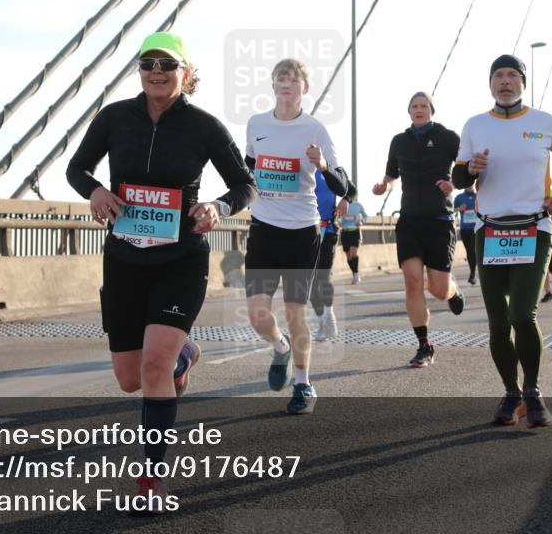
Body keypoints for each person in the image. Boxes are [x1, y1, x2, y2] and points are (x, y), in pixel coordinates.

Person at [66, 31, 256, 507]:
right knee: (131, 378)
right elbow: (77, 168)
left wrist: (218, 205)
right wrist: (93, 192)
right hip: (125, 257)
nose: (156, 70)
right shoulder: (114, 118)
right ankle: (184, 355)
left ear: (186, 74)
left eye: (167, 64)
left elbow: (244, 184)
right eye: (148, 62)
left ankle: (150, 480)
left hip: (181, 257)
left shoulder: (205, 126)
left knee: (153, 364)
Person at [453, 54, 552, 428]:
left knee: (522, 314)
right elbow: (459, 177)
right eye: (498, 76)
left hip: (534, 229)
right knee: (497, 324)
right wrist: (469, 169)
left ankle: (534, 391)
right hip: (489, 231)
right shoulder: (475, 125)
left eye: (512, 75)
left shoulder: (545, 122)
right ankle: (511, 392)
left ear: (523, 82)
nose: (504, 81)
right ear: (490, 83)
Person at [244, 58, 349, 415]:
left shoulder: (315, 130)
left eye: (293, 79)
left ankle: (304, 383)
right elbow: (247, 169)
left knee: (294, 313)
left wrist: (320, 166)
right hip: (262, 228)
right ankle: (281, 348)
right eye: (280, 79)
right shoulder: (256, 124)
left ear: (305, 88)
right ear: (273, 86)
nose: (286, 84)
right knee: (258, 314)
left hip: (302, 232)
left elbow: (342, 184)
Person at [373, 91, 464, 370]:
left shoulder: (448, 137)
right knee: (412, 282)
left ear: (432, 111)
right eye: (414, 106)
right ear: (409, 111)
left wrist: (455, 185)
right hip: (410, 220)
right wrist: (383, 186)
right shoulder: (399, 141)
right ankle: (424, 345)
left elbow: (466, 171)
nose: (419, 109)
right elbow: (391, 174)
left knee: (437, 289)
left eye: (424, 105)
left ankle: (452, 291)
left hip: (440, 220)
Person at [309, 172, 358, 340]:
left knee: (323, 275)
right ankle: (323, 320)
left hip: (327, 229)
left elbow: (351, 190)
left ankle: (329, 317)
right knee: (307, 282)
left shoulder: (330, 168)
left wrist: (345, 199)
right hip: (303, 230)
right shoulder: (297, 161)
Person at [338, 195, 368, 284]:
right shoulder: (341, 204)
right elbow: (338, 217)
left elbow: (365, 216)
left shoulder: (358, 205)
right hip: (345, 233)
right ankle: (354, 273)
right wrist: (339, 221)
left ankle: (356, 274)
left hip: (355, 232)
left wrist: (361, 221)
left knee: (353, 253)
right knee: (348, 256)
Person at [454, 186, 479, 285]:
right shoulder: (459, 197)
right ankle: (472, 273)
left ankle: (474, 274)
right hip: (465, 229)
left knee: (474, 250)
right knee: (470, 251)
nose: (470, 185)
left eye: (472, 183)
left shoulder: (478, 196)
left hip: (477, 228)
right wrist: (459, 208)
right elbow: (452, 210)